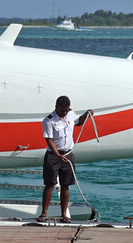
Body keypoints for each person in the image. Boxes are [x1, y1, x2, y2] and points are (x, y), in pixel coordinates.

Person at [37, 95, 92, 223]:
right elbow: (49, 140)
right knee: (50, 184)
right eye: (62, 110)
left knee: (65, 184)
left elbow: (79, 122)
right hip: (53, 155)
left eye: (66, 110)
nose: (64, 113)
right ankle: (44, 213)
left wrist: (87, 113)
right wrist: (58, 155)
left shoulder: (71, 114)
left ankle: (64, 214)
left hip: (68, 154)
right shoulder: (49, 120)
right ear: (56, 107)